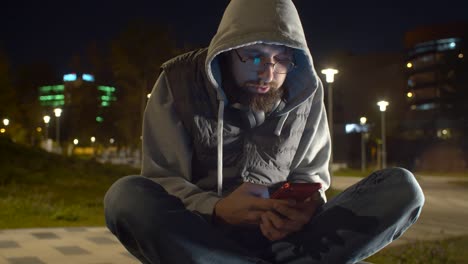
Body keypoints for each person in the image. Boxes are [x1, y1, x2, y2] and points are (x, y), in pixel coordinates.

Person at [104, 0, 425, 263]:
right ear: (227, 51)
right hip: (199, 234)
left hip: (284, 241)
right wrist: (216, 209)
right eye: (254, 56)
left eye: (281, 59)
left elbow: (311, 178)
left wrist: (304, 210)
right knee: (125, 197)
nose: (268, 72)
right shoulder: (178, 83)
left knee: (401, 189)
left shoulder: (305, 92)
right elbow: (161, 178)